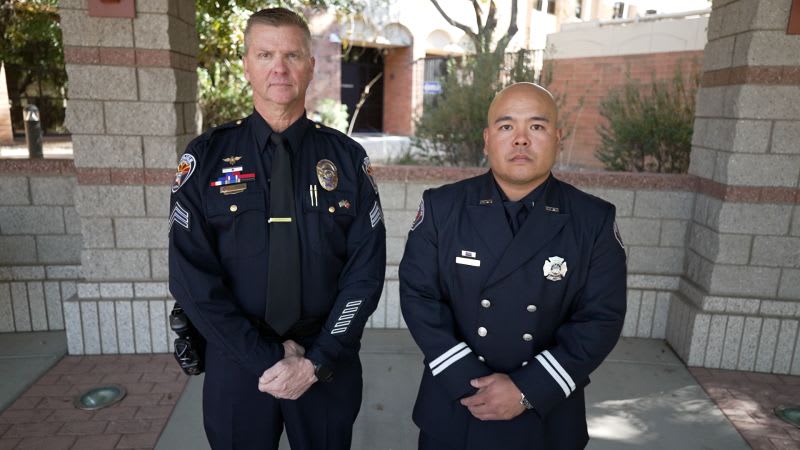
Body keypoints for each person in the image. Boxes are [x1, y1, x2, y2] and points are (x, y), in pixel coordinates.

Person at [168, 7, 386, 450]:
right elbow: (191, 277)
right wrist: (263, 356)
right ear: (246, 65)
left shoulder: (346, 159)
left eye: (292, 55)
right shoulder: (206, 158)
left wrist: (317, 360)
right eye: (265, 54)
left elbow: (365, 273)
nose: (279, 68)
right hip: (238, 361)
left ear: (311, 65)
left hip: (325, 359)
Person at [399, 82, 627, 450]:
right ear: (487, 139)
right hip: (456, 405)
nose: (521, 139)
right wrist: (469, 382)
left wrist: (527, 390)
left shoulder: (593, 219)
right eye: (506, 126)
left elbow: (601, 319)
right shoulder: (442, 207)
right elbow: (419, 297)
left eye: (536, 126)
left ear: (558, 138)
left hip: (546, 415)